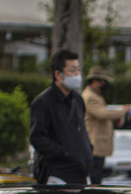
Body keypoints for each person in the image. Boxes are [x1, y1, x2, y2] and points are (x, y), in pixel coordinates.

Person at [29, 49, 93, 185]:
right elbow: (37, 137)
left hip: (81, 172)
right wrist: (64, 153)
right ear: (58, 74)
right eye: (72, 70)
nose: (77, 74)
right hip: (58, 174)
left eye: (78, 70)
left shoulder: (77, 99)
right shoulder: (43, 102)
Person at [82, 66, 130, 184]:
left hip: (97, 145)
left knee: (97, 175)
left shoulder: (95, 96)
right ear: (94, 81)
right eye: (101, 81)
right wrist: (123, 111)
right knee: (94, 177)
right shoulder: (90, 97)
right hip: (94, 144)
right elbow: (102, 114)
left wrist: (116, 120)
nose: (104, 84)